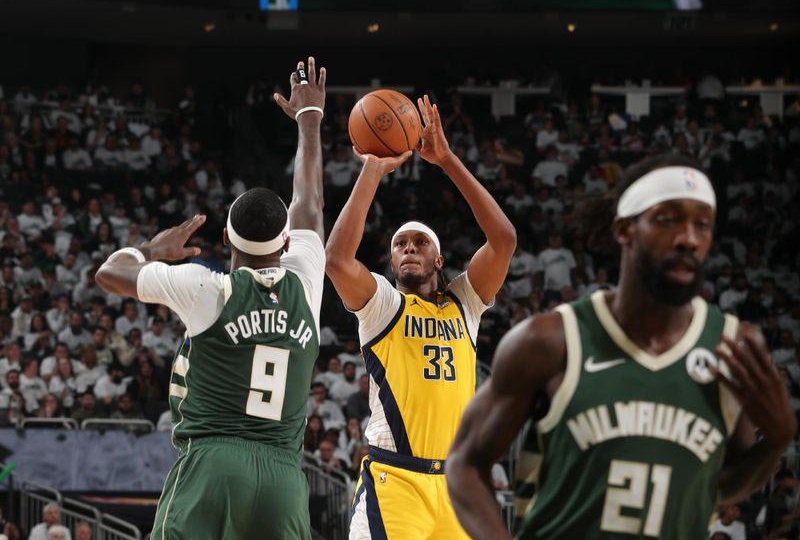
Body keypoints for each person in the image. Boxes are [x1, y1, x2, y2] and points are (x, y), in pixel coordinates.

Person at [446, 154, 797, 540]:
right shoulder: (549, 341)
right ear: (625, 230)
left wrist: (775, 443)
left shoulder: (733, 348)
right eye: (667, 220)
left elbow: (720, 486)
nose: (689, 239)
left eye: (703, 224)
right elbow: (464, 463)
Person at [95, 57, 327, 540]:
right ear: (286, 243)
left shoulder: (207, 287)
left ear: (226, 237)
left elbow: (110, 274)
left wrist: (150, 249)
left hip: (216, 463)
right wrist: (309, 121)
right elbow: (309, 204)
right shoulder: (306, 279)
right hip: (285, 476)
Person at [326, 95, 515, 539]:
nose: (409, 247)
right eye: (400, 244)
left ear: (439, 259)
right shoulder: (384, 305)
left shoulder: (464, 303)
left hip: (455, 486)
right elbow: (336, 260)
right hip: (396, 481)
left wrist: (447, 161)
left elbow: (503, 239)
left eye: (419, 242)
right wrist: (372, 168)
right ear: (392, 263)